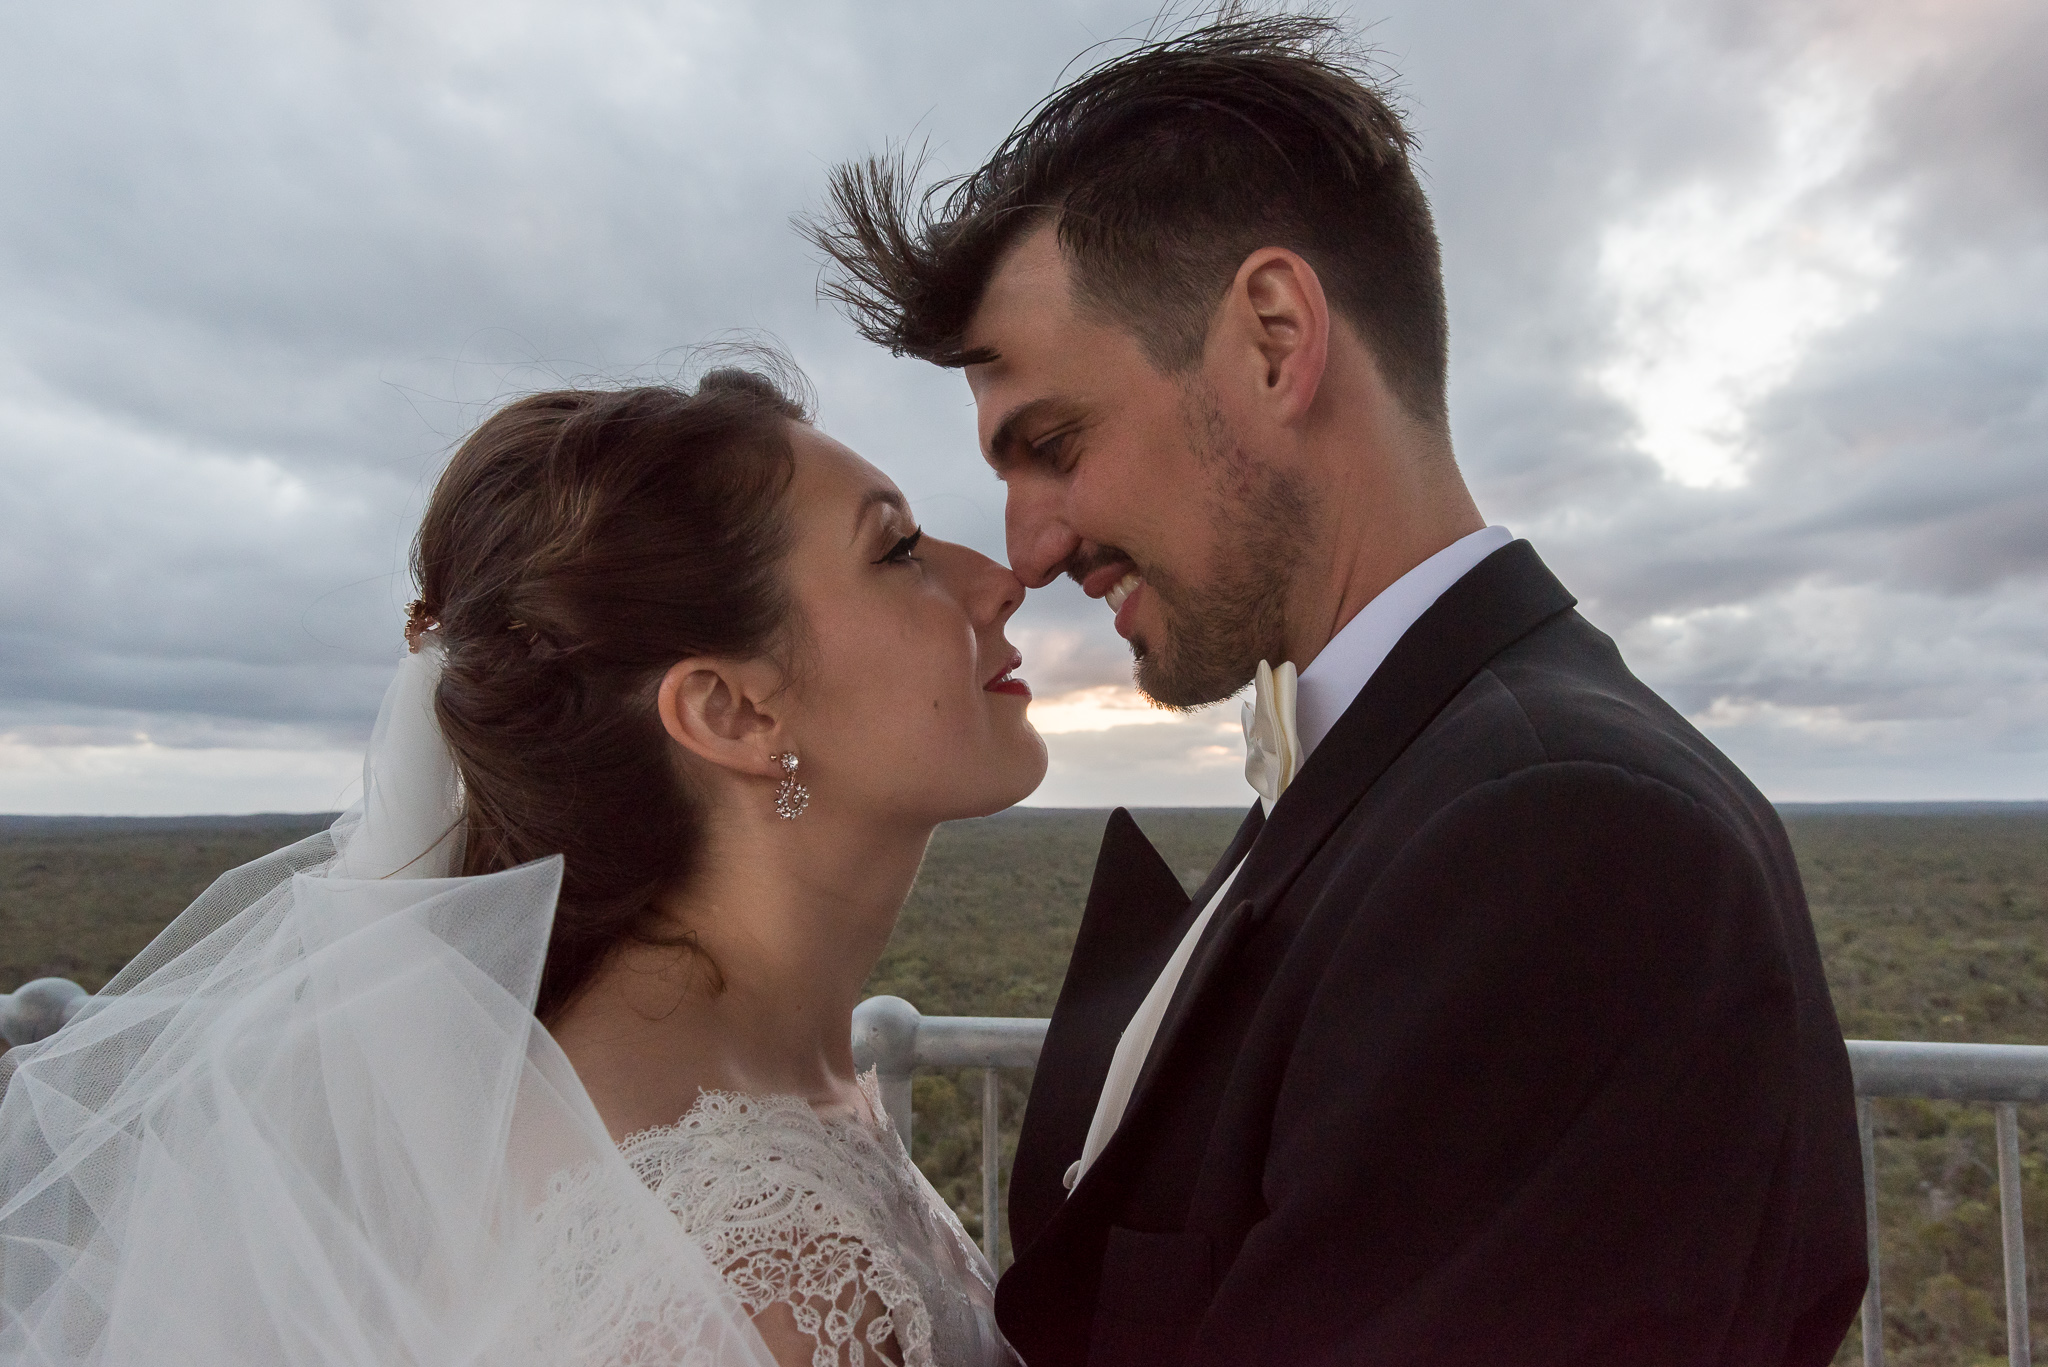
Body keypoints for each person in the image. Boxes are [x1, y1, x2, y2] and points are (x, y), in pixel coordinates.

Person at [808, 12, 1869, 1365]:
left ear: (1273, 339)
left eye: (1056, 442)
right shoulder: (1409, 773)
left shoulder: (1564, 843)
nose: (1028, 547)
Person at [0, 368, 1041, 1367]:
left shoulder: (755, 1099)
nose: (1000, 580)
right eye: (897, 547)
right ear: (730, 710)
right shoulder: (755, 1284)